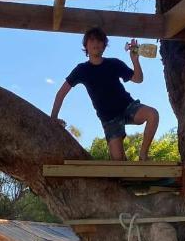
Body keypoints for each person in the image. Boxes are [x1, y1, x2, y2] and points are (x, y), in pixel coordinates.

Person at [51, 27, 159, 161]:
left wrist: (135, 60)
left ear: (104, 45)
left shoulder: (113, 63)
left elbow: (138, 79)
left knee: (152, 114)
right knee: (118, 161)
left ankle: (143, 155)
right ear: (86, 46)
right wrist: (53, 118)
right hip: (109, 118)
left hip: (127, 107)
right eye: (92, 40)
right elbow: (61, 93)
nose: (96, 43)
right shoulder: (82, 70)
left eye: (99, 40)